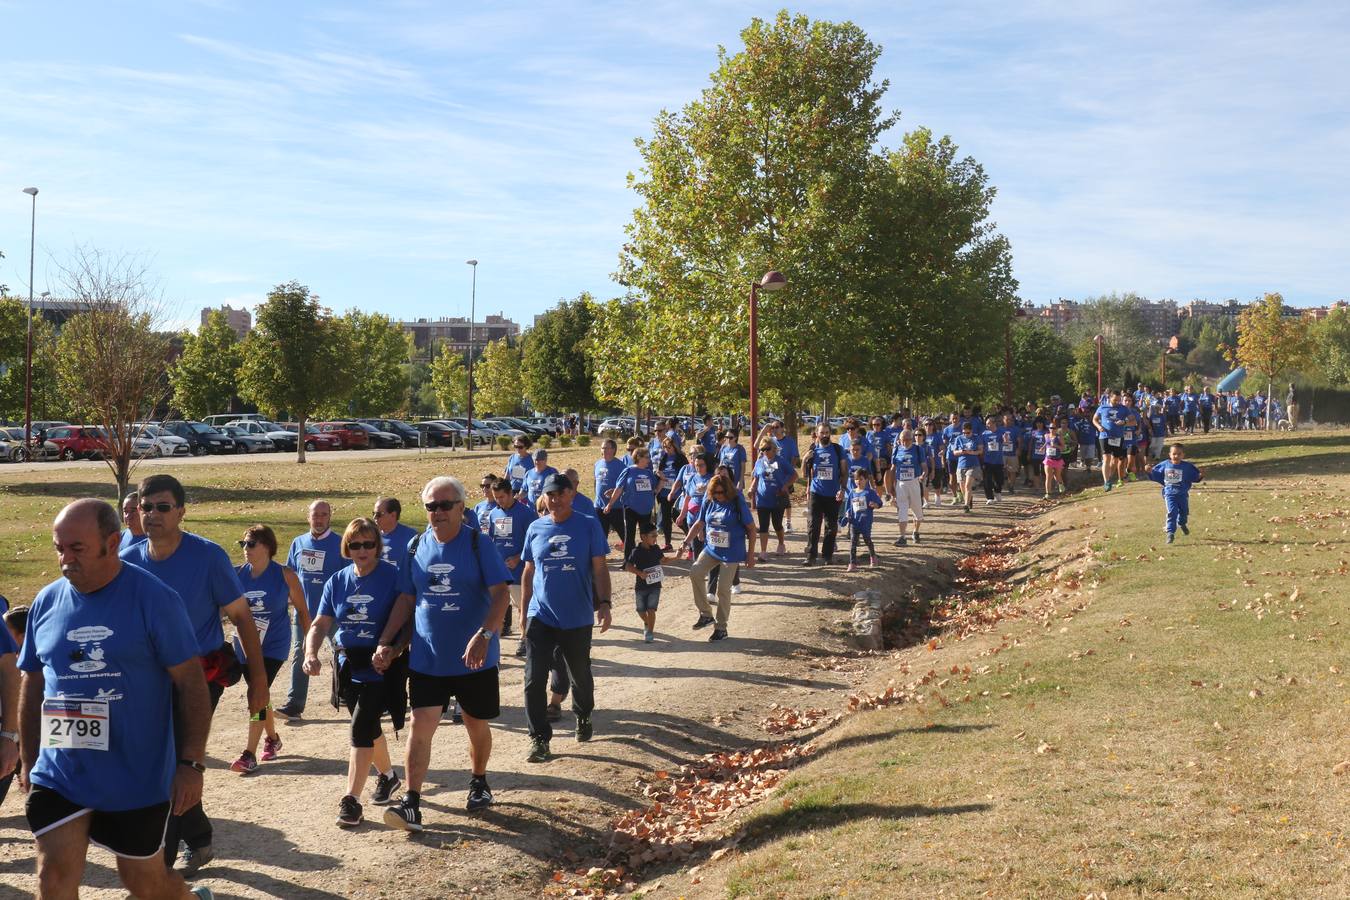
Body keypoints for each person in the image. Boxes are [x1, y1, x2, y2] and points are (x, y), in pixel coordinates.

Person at [24, 499, 213, 899]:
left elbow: (192, 684)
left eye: (77, 548)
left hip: (135, 776)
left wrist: (191, 763)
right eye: (59, 548)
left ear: (112, 543)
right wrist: (28, 757)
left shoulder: (154, 599)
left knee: (146, 885)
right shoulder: (46, 602)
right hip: (62, 770)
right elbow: (33, 681)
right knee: (53, 877)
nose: (65, 560)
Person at [120, 474, 267, 875]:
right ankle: (198, 838)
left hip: (200, 676)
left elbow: (242, 619)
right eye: (146, 507)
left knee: (172, 763)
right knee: (166, 762)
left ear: (181, 512)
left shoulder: (208, 556)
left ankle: (160, 863)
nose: (152, 515)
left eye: (162, 507)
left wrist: (259, 683)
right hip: (148, 680)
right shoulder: (128, 561)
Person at [374, 477, 511, 831]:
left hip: (474, 658)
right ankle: (412, 802)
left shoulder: (479, 545)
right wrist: (386, 642)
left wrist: (485, 634)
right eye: (431, 507)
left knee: (475, 724)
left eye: (445, 505)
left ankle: (479, 781)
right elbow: (406, 599)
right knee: (421, 726)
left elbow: (500, 594)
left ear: (461, 507)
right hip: (428, 658)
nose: (437, 513)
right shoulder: (416, 546)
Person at [304, 518, 406, 828]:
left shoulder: (393, 577)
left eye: (369, 544)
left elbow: (409, 620)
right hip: (348, 665)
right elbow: (321, 623)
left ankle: (351, 800)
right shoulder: (337, 580)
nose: (362, 550)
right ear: (347, 547)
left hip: (380, 665)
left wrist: (392, 649)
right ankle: (388, 777)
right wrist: (310, 653)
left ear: (378, 546)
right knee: (368, 726)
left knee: (360, 729)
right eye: (356, 544)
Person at [519, 473, 611, 763]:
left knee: (580, 675)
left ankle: (582, 714)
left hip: (577, 616)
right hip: (541, 614)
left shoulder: (587, 524)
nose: (555, 500)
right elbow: (528, 572)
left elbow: (599, 568)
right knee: (533, 679)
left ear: (571, 494)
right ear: (544, 497)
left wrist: (605, 603)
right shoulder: (535, 528)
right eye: (550, 495)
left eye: (560, 494)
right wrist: (523, 612)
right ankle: (539, 739)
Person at [228, 525, 311, 775]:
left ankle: (249, 754)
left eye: (251, 544)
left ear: (267, 546)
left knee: (257, 694)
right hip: (243, 645)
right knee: (261, 695)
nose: (246, 549)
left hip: (273, 645)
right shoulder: (236, 575)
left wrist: (310, 645)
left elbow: (303, 611)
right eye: (243, 544)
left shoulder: (285, 575)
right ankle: (273, 739)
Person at [277, 500, 344, 721]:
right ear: (309, 517)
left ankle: (349, 695)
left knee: (345, 652)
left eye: (324, 515)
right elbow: (291, 576)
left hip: (332, 613)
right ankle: (294, 705)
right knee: (300, 653)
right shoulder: (298, 543)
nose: (319, 519)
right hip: (304, 612)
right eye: (315, 515)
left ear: (329, 517)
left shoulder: (340, 543)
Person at [681, 470, 756, 641]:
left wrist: (750, 555)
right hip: (712, 548)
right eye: (714, 492)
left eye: (721, 492)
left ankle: (721, 628)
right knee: (695, 572)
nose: (717, 495)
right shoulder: (709, 501)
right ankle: (706, 614)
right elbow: (699, 523)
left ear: (728, 491)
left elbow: (752, 530)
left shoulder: (737, 502)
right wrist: (685, 543)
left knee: (723, 589)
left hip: (732, 552)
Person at [486, 476, 537, 654]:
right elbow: (492, 540)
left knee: (522, 607)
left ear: (511, 494)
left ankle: (525, 638)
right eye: (495, 497)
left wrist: (518, 557)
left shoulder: (526, 513)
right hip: (499, 572)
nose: (498, 501)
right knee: (496, 609)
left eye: (501, 497)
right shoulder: (494, 514)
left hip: (519, 571)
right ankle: (494, 646)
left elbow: (534, 541)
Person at [800, 425, 847, 566]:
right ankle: (810, 556)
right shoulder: (812, 450)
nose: (825, 435)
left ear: (830, 434)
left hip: (833, 493)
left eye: (827, 432)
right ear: (817, 434)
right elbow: (804, 474)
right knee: (813, 525)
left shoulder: (838, 450)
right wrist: (804, 459)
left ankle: (827, 555)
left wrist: (843, 489)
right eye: (822, 433)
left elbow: (844, 472)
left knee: (831, 527)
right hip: (816, 493)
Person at [603, 447, 658, 559]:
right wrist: (610, 504)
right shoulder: (628, 471)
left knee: (646, 535)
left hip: (646, 510)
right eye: (647, 457)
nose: (649, 460)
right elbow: (619, 489)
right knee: (630, 536)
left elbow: (654, 490)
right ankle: (628, 560)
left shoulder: (648, 473)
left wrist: (661, 480)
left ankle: (646, 559)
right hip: (631, 509)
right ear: (638, 457)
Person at [1148, 444, 1204, 544]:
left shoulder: (1187, 466)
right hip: (1170, 494)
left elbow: (1195, 476)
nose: (1176, 456)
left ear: (1183, 455)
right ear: (1170, 454)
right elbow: (1155, 474)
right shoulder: (1165, 465)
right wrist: (1149, 471)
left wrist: (1200, 475)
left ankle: (1182, 524)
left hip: (1182, 494)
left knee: (1184, 512)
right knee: (1172, 512)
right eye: (1174, 454)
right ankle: (1170, 533)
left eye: (1179, 454)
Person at [749, 438, 792, 560]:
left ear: (774, 449)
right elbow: (756, 478)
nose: (765, 451)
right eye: (763, 449)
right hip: (762, 499)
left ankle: (781, 543)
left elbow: (794, 475)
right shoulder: (759, 462)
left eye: (768, 449)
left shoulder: (781, 461)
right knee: (763, 525)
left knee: (777, 524)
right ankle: (763, 552)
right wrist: (751, 489)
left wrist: (785, 485)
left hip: (777, 498)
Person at [624, 521, 665, 643]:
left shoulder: (656, 549)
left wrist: (678, 556)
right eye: (653, 535)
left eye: (656, 535)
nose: (655, 538)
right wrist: (640, 573)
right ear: (643, 537)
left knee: (651, 609)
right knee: (641, 610)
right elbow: (628, 566)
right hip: (641, 586)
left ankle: (650, 632)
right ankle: (647, 623)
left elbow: (664, 560)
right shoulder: (636, 551)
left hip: (655, 586)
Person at [885, 429, 926, 546]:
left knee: (917, 512)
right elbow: (893, 469)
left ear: (912, 439)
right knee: (902, 509)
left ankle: (916, 531)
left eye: (907, 440)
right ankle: (902, 537)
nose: (905, 442)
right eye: (902, 440)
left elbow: (924, 466)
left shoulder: (918, 449)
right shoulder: (897, 449)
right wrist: (890, 488)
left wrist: (923, 474)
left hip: (914, 483)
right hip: (901, 483)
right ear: (899, 440)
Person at [593, 439, 627, 552]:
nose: (604, 450)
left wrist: (614, 491)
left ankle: (631, 555)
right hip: (599, 506)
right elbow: (595, 482)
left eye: (607, 448)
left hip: (615, 506)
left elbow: (625, 486)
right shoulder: (598, 464)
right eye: (602, 448)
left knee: (623, 533)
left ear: (613, 450)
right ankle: (601, 558)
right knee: (600, 534)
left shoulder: (620, 466)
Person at [844, 469, 881, 571]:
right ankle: (852, 564)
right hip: (854, 522)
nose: (858, 481)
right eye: (856, 479)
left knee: (867, 540)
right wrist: (847, 515)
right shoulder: (852, 492)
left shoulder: (870, 492)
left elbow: (879, 503)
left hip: (865, 522)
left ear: (866, 480)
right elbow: (848, 507)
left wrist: (875, 505)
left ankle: (873, 557)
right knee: (853, 543)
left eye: (861, 479)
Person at [374, 497, 418, 572]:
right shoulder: (370, 536)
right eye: (374, 513)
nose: (374, 517)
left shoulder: (411, 536)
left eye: (378, 514)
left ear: (393, 515)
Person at [951, 421, 983, 513]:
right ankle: (969, 498)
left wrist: (972, 452)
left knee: (968, 485)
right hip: (961, 465)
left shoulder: (976, 438)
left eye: (968, 432)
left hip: (973, 465)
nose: (966, 434)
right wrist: (961, 451)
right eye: (964, 432)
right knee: (962, 487)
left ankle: (966, 505)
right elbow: (954, 452)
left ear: (971, 431)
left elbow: (980, 451)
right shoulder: (959, 439)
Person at [1043, 423, 1066, 498]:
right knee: (1048, 476)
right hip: (1048, 459)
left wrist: (1056, 446)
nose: (1052, 429)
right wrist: (1042, 448)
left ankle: (1061, 484)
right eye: (1050, 428)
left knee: (1057, 475)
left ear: (1056, 429)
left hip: (1057, 459)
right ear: (1048, 428)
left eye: (1054, 428)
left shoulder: (1059, 437)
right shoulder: (1046, 435)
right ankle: (1048, 494)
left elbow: (1063, 448)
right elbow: (1046, 443)